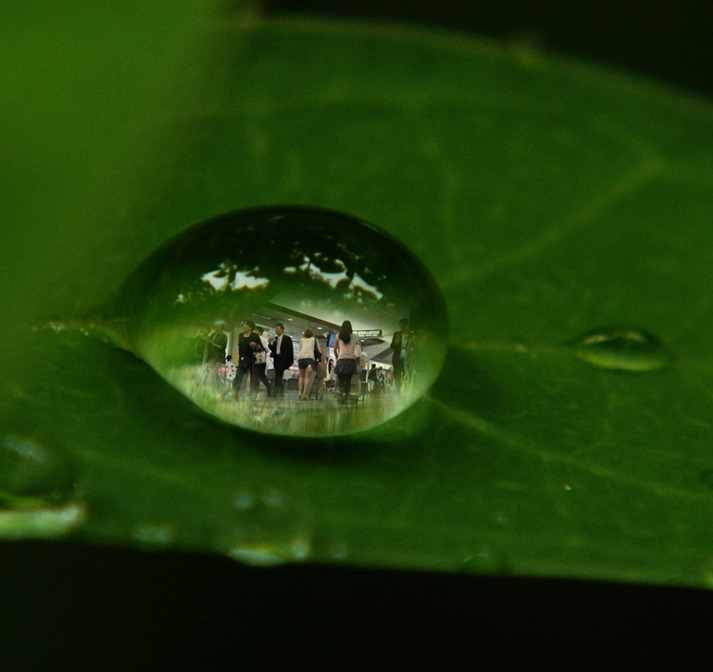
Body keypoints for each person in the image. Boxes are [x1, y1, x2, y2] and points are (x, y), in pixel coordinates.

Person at [334, 320, 362, 404]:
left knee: (341, 379)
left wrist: (337, 357)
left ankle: (342, 393)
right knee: (348, 380)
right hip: (351, 360)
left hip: (341, 359)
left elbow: (335, 349)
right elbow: (360, 348)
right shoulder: (354, 336)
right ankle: (346, 395)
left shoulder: (338, 336)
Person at [233, 319, 261, 398]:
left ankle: (253, 393)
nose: (243, 326)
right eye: (244, 324)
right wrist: (239, 357)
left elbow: (260, 347)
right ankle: (235, 393)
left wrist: (255, 344)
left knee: (253, 377)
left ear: (250, 327)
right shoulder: (240, 335)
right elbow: (240, 347)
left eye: (245, 324)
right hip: (243, 358)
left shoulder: (255, 336)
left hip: (253, 359)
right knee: (238, 376)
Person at [268, 323, 294, 398]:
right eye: (275, 328)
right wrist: (270, 344)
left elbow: (290, 350)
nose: (276, 330)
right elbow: (273, 349)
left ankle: (276, 392)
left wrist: (291, 361)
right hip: (277, 360)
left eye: (277, 328)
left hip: (284, 360)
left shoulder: (287, 339)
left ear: (282, 330)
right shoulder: (275, 339)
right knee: (278, 376)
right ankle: (280, 392)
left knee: (278, 376)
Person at [296, 328, 320, 400]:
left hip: (301, 358)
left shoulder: (302, 339)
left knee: (301, 377)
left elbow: (300, 349)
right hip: (309, 359)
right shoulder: (314, 339)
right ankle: (304, 394)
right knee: (307, 378)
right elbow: (318, 350)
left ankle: (299, 393)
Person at [206, 322, 228, 388]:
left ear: (221, 327)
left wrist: (214, 344)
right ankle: (216, 386)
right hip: (211, 355)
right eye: (216, 325)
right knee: (209, 371)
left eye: (218, 325)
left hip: (218, 356)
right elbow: (208, 343)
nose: (216, 326)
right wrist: (208, 343)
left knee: (214, 372)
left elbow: (223, 347)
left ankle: (214, 387)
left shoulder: (223, 336)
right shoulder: (212, 334)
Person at [390, 318, 409, 394]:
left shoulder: (411, 335)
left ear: (407, 325)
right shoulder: (397, 334)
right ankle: (398, 392)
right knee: (397, 376)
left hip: (407, 359)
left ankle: (406, 392)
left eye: (403, 325)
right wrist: (395, 343)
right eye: (400, 325)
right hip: (397, 358)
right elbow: (392, 346)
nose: (401, 327)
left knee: (406, 376)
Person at [252, 326, 272, 397]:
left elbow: (266, 349)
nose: (254, 331)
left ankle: (269, 387)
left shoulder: (263, 339)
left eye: (256, 330)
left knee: (260, 374)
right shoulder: (253, 338)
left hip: (260, 355)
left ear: (260, 332)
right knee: (255, 374)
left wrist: (259, 348)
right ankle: (255, 390)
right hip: (255, 356)